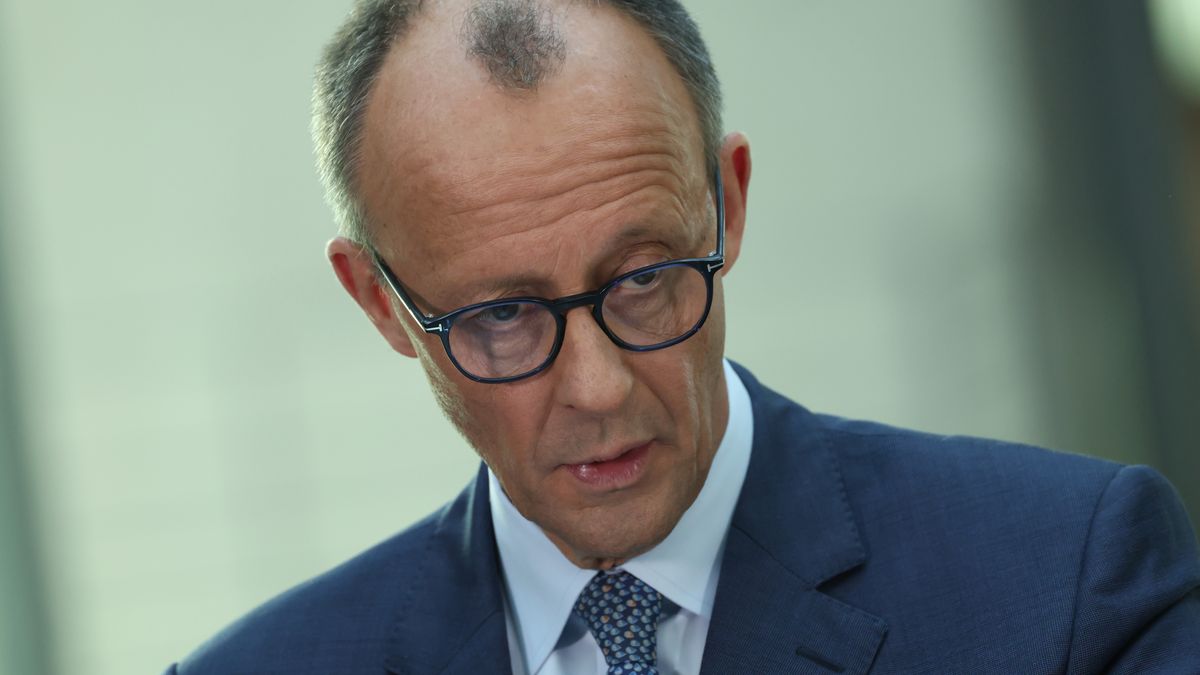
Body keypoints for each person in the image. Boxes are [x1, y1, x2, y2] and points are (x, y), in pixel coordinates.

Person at [166, 0, 1200, 672]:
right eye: (501, 316)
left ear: (729, 204)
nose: (600, 387)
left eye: (646, 278)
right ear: (382, 304)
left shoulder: (1070, 588)